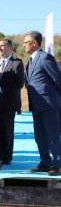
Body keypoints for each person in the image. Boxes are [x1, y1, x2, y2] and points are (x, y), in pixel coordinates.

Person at [23, 31, 61, 176]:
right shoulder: (30, 60)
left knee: (52, 136)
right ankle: (45, 162)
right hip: (36, 105)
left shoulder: (45, 58)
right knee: (40, 136)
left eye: (26, 42)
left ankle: (57, 164)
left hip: (49, 104)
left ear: (34, 43)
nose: (24, 45)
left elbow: (57, 79)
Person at [0, 39, 24, 165]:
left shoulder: (17, 64)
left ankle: (7, 156)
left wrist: (1, 89)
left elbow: (19, 83)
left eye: (2, 46)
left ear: (10, 48)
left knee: (6, 129)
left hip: (8, 102)